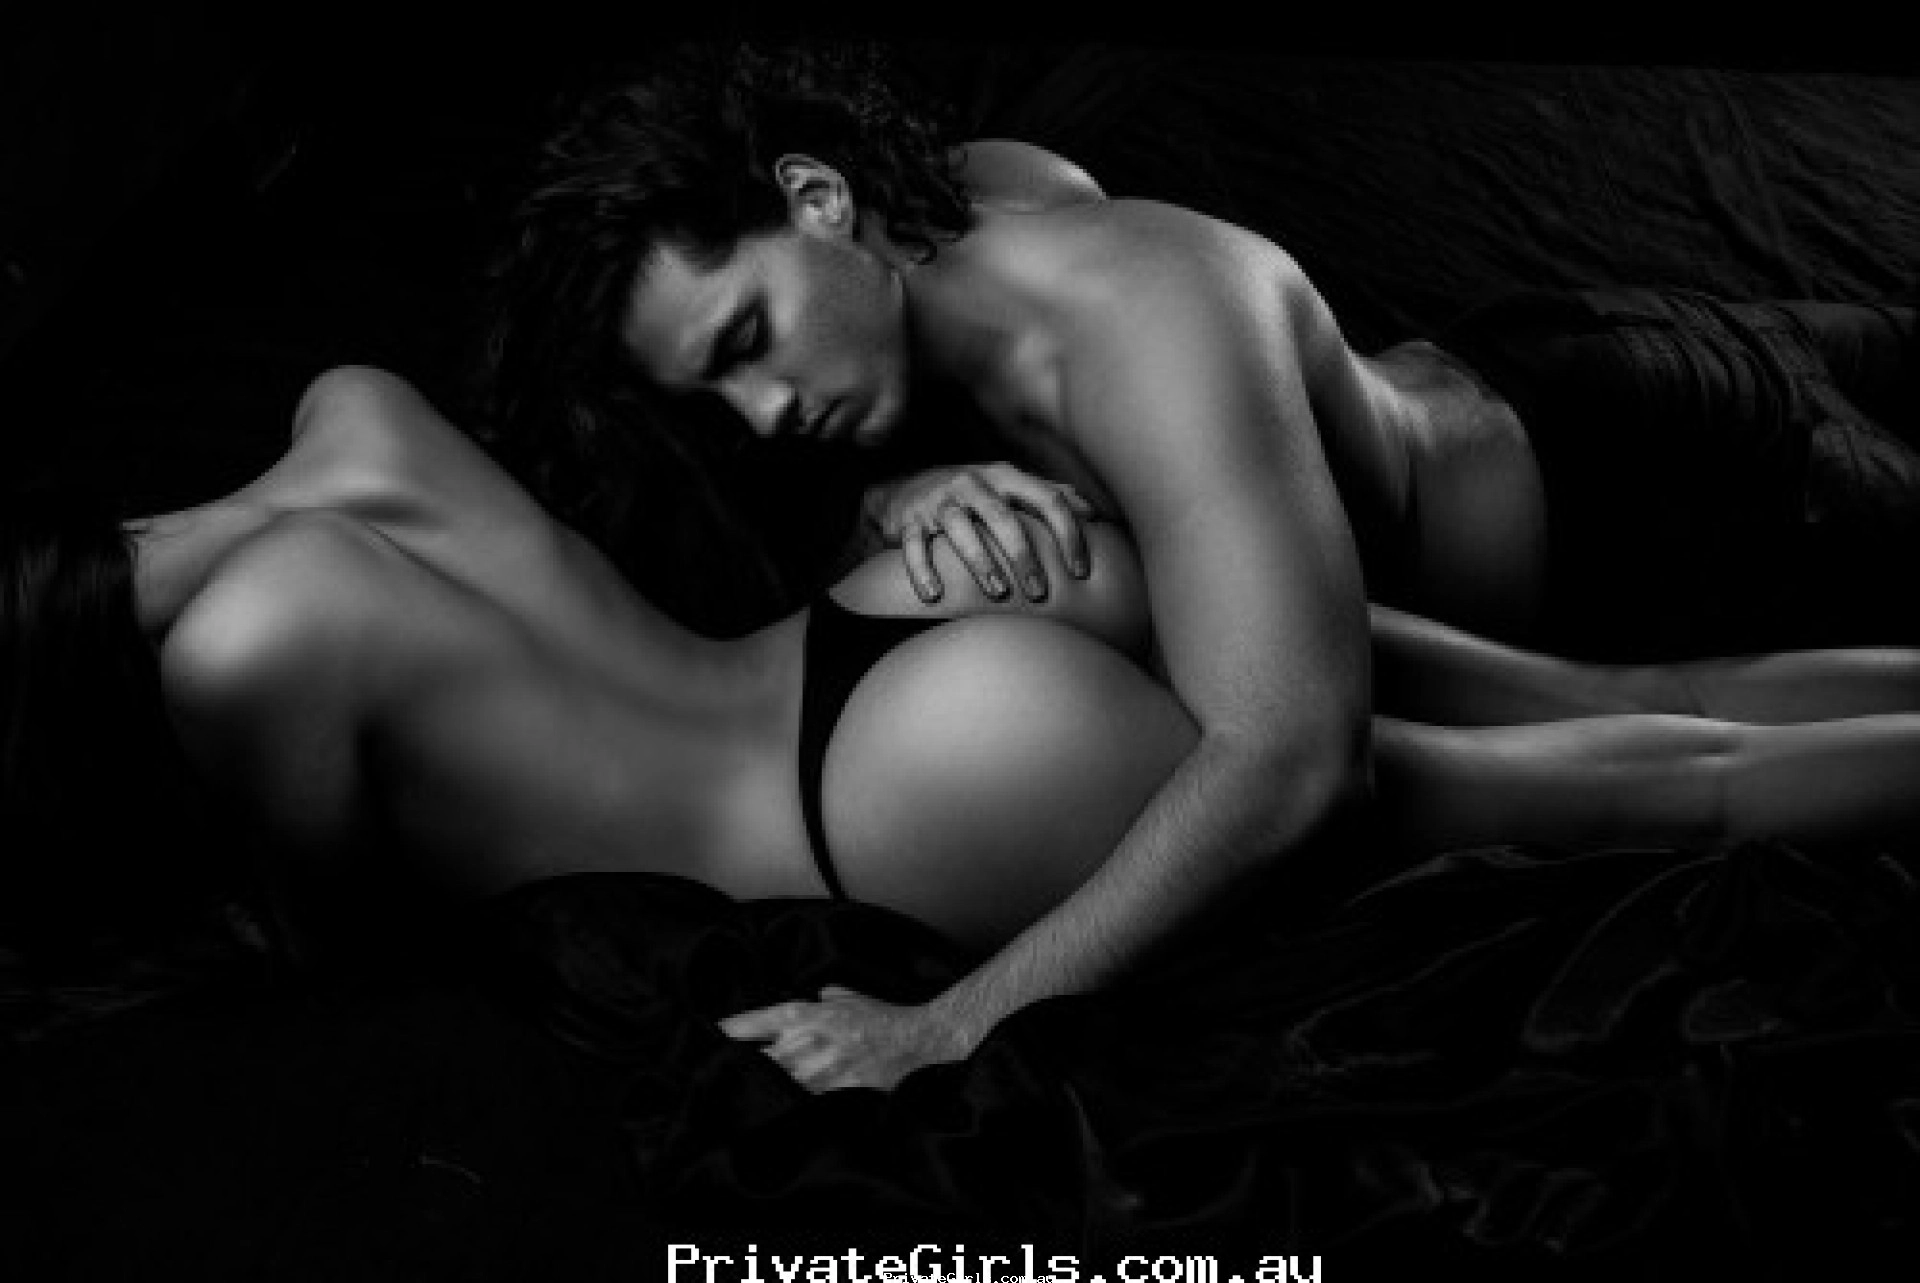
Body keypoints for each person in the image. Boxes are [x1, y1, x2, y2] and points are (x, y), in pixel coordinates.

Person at [476, 39, 1920, 1088]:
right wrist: (891, 489)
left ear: (816, 198)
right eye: (717, 395)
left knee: (1687, 691)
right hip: (1530, 362)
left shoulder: (1141, 315)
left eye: (748, 340)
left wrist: (953, 1024)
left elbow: (1293, 765)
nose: (765, 413)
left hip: (1663, 482)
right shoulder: (969, 201)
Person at [11, 365, 1920, 1093]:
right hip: (910, 601)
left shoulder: (244, 656)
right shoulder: (346, 411)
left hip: (880, 780)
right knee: (1614, 705)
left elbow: (337, 933)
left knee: (1636, 803)